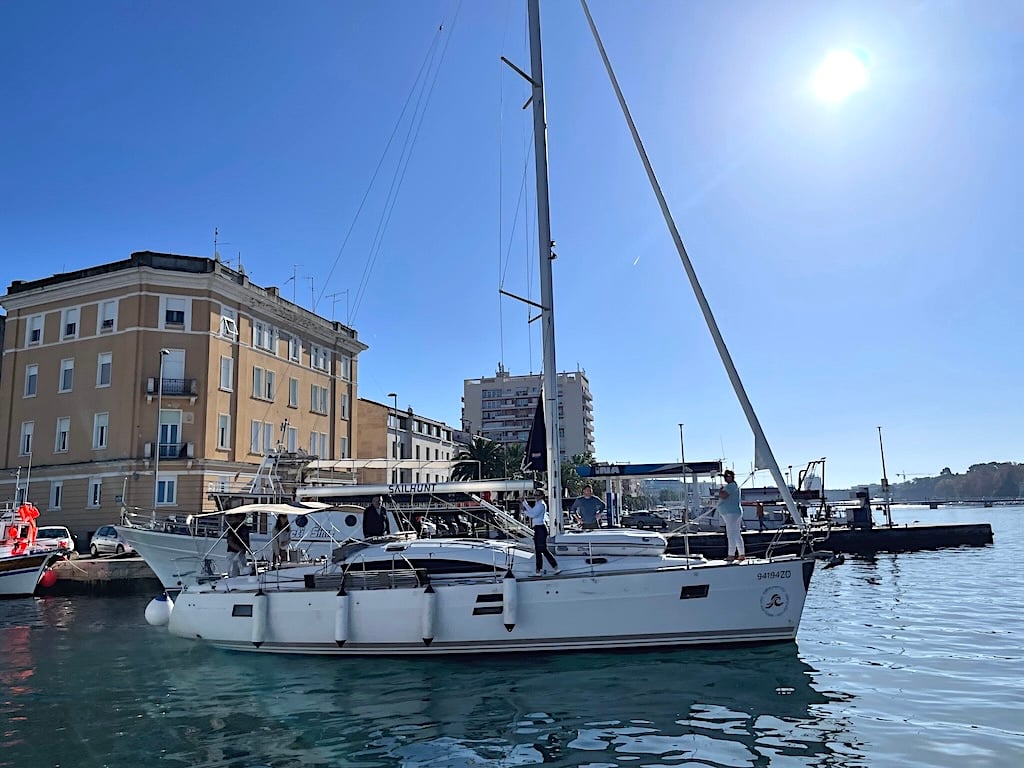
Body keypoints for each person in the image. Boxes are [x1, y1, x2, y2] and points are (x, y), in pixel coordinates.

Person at [522, 490, 559, 575]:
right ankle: (541, 569)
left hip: (541, 528)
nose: (535, 496)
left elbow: (532, 515)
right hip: (538, 528)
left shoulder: (541, 505)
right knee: (539, 550)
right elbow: (531, 511)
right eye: (535, 495)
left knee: (542, 549)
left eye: (537, 495)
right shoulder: (538, 504)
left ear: (542, 496)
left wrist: (524, 510)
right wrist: (524, 503)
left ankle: (552, 567)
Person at [718, 469, 745, 563]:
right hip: (733, 512)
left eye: (726, 476)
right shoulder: (733, 486)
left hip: (731, 513)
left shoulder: (731, 486)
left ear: (730, 476)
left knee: (731, 534)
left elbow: (723, 495)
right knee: (736, 534)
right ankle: (741, 554)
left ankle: (731, 555)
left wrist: (720, 491)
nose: (725, 478)